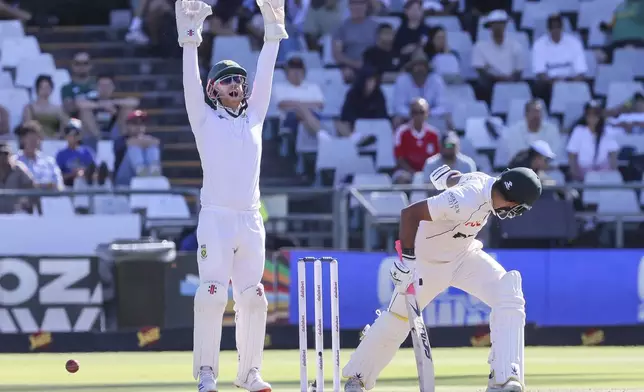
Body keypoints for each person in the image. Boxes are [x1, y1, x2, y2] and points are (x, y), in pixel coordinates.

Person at [343, 166, 542, 392]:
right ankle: (357, 378)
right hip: (428, 265)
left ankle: (505, 379)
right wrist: (407, 260)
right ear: (514, 201)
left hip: (464, 256)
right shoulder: (464, 199)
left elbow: (458, 178)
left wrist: (446, 177)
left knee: (509, 292)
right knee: (398, 318)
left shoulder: (483, 182)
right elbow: (410, 214)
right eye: (519, 208)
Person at [176, 0, 285, 390]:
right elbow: (190, 82)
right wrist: (190, 40)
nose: (236, 83)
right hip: (217, 218)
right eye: (227, 79)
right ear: (213, 88)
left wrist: (273, 33)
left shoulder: (255, 116)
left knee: (254, 297)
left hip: (250, 220)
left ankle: (249, 373)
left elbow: (266, 76)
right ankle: (207, 373)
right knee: (210, 294)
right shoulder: (203, 118)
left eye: (239, 78)